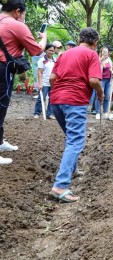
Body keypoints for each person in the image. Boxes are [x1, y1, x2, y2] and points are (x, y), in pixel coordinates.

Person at [48, 27, 103, 203]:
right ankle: (60, 186)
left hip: (56, 101)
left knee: (70, 137)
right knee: (75, 141)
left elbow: (52, 78)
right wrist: (100, 94)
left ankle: (72, 169)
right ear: (95, 43)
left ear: (79, 40)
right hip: (75, 101)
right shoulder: (92, 55)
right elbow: (94, 80)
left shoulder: (64, 54)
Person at [0, 0, 46, 165]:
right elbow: (37, 50)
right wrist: (44, 38)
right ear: (18, 12)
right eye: (24, 14)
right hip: (3, 69)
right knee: (0, 105)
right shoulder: (16, 25)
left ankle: (0, 142)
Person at [33, 43, 55, 119]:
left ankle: (50, 114)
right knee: (41, 98)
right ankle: (37, 113)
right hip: (44, 83)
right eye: (50, 50)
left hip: (52, 83)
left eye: (53, 51)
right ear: (45, 50)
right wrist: (40, 83)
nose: (51, 52)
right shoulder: (42, 60)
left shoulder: (55, 60)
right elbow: (39, 73)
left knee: (52, 99)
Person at [95, 46, 113, 120]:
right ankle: (98, 112)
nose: (105, 53)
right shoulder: (98, 59)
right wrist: (101, 60)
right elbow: (95, 67)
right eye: (103, 51)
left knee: (107, 96)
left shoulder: (109, 60)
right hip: (101, 80)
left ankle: (105, 112)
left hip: (109, 80)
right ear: (101, 52)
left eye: (106, 51)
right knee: (100, 95)